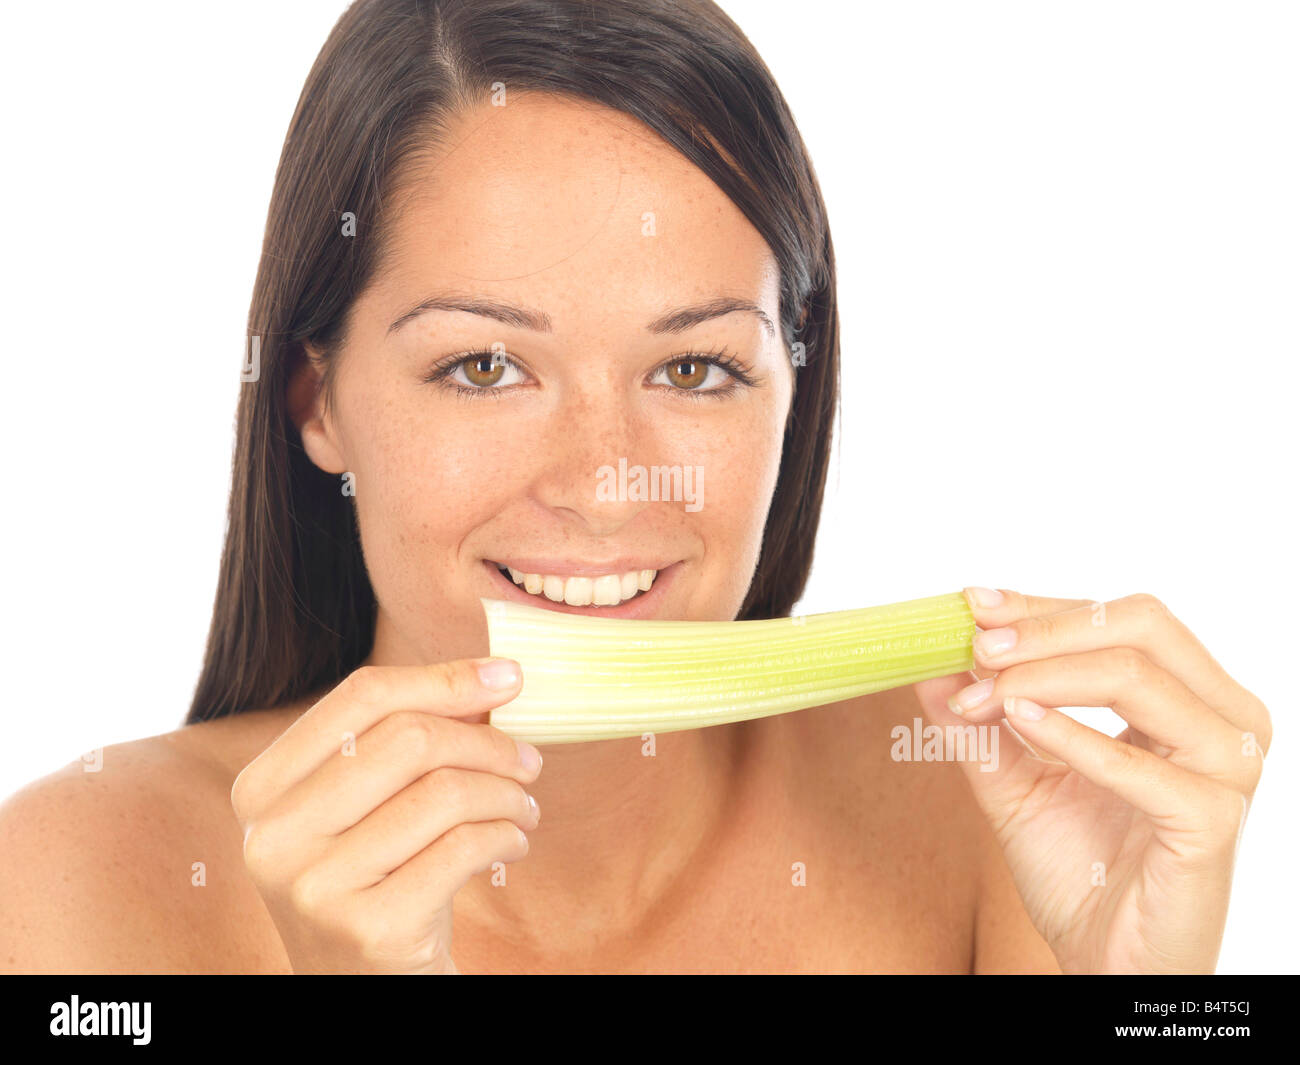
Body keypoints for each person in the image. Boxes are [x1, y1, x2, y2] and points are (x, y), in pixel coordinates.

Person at [0, 0, 1269, 974]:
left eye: (696, 366)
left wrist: (1146, 997)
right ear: (317, 402)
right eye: (485, 365)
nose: (605, 484)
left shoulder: (979, 800)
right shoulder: (78, 886)